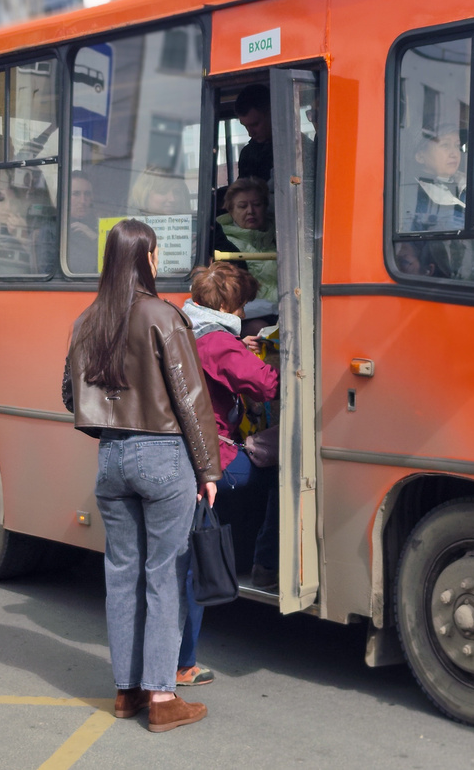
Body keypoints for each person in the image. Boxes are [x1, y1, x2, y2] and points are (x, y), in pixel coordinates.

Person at [62, 218, 222, 733]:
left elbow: (70, 395)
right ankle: (161, 694)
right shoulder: (162, 315)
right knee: (165, 576)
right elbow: (190, 398)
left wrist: (111, 434)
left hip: (112, 456)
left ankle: (127, 691)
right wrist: (208, 467)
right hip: (164, 455)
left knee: (122, 574)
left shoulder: (88, 320)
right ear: (147, 258)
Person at [177, 262, 282, 681]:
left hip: (183, 450)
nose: (243, 314)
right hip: (213, 456)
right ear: (231, 305)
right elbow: (268, 385)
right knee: (276, 474)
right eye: (242, 306)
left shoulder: (185, 327)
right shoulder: (219, 340)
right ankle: (266, 563)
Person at [214, 177, 277, 326]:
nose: (251, 211)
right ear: (230, 210)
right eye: (242, 206)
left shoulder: (283, 235)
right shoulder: (223, 245)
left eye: (257, 204)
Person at [409, 125, 466, 233]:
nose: (454, 154)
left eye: (457, 146)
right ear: (420, 156)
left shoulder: (468, 186)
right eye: (445, 145)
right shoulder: (415, 197)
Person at [235, 84, 273, 183]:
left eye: (255, 124)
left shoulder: (298, 147)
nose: (250, 133)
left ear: (271, 114)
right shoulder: (247, 154)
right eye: (245, 126)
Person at [68, 171, 99, 273]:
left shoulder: (98, 227)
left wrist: (95, 238)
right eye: (76, 194)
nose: (82, 200)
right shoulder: (52, 230)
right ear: (64, 197)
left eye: (87, 194)